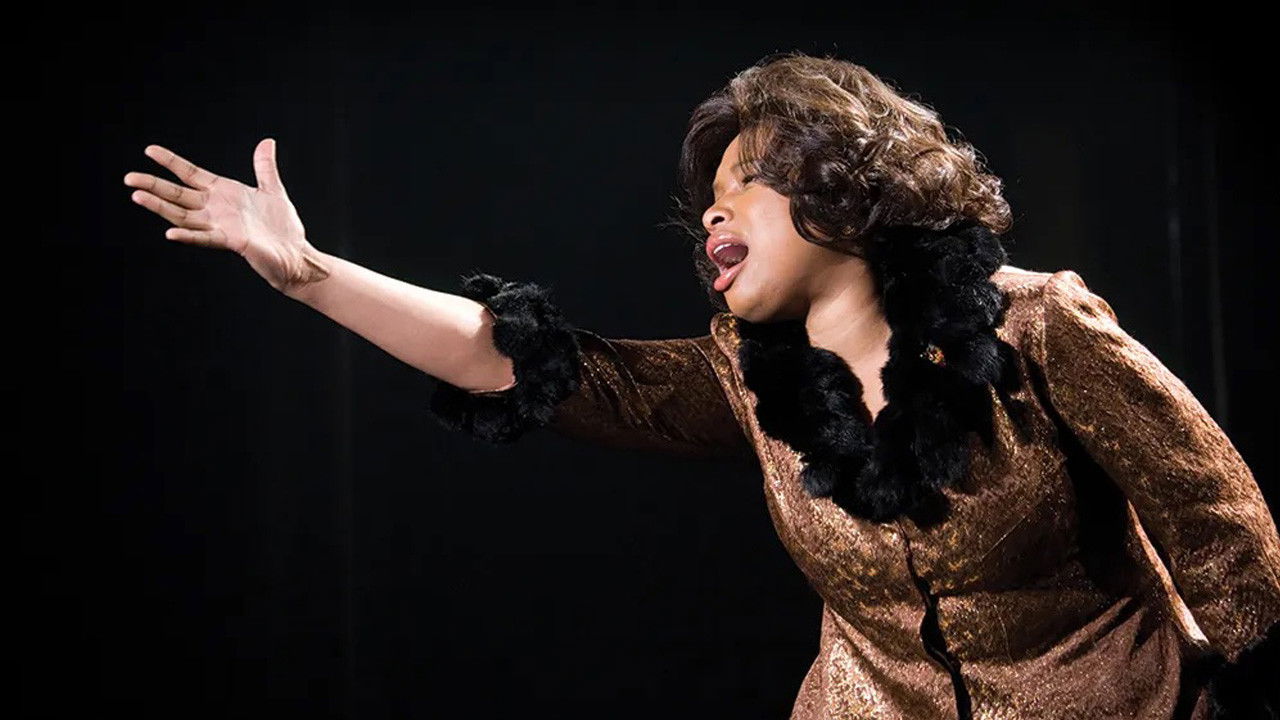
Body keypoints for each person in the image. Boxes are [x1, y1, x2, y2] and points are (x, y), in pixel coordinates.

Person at [124, 51, 1278, 720]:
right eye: (706, 198)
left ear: (844, 185)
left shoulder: (1035, 325)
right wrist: (311, 275)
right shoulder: (747, 375)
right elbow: (530, 364)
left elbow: (1222, 534)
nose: (713, 211)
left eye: (746, 182)